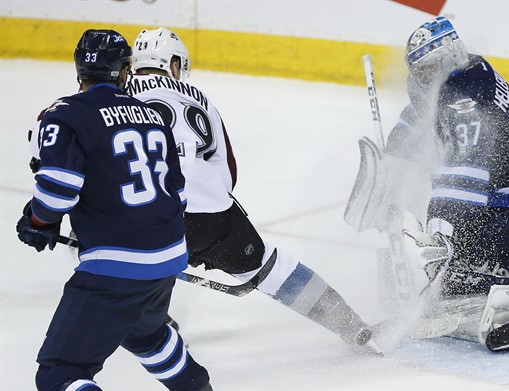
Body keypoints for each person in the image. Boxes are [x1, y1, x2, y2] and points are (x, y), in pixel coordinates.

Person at [17, 29, 227, 391]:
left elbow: (58, 190)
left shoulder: (66, 113)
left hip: (114, 267)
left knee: (60, 371)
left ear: (79, 68)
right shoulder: (151, 113)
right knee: (142, 328)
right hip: (167, 252)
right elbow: (176, 191)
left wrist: (39, 221)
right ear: (125, 71)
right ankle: (194, 390)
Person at [345, 17, 509, 351]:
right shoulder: (464, 78)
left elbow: (465, 172)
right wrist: (389, 170)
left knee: (456, 268)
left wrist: (441, 236)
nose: (421, 78)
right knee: (455, 249)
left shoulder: (465, 99)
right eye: (419, 71)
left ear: (445, 61)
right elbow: (412, 122)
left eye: (426, 70)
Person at [126, 27, 379, 352]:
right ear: (173, 64)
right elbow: (228, 170)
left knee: (99, 250)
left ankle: (153, 322)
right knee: (269, 265)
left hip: (147, 215)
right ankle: (349, 323)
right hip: (212, 214)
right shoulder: (200, 99)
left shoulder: (115, 95)